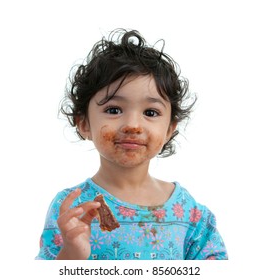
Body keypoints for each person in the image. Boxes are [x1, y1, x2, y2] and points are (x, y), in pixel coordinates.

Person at [36, 29, 228, 260]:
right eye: (114, 110)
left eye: (150, 112)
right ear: (84, 123)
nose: (132, 125)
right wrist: (72, 253)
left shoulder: (189, 213)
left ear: (169, 129)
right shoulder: (71, 208)